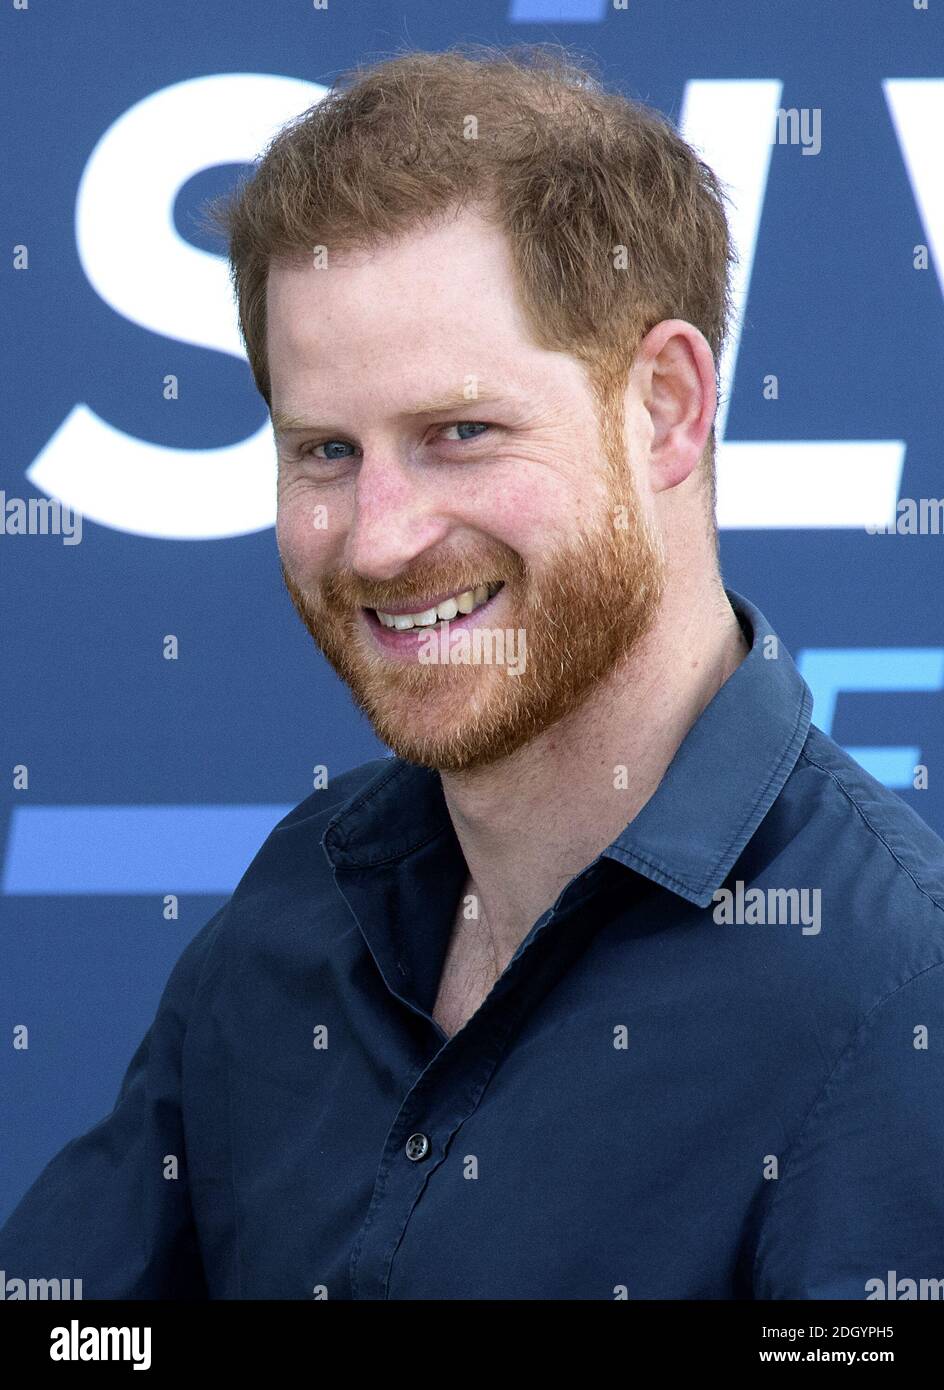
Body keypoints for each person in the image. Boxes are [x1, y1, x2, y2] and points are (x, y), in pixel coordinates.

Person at [2, 44, 943, 1300]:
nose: (380, 535)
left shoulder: (893, 999)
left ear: (663, 407)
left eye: (459, 433)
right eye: (325, 450)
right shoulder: (303, 898)